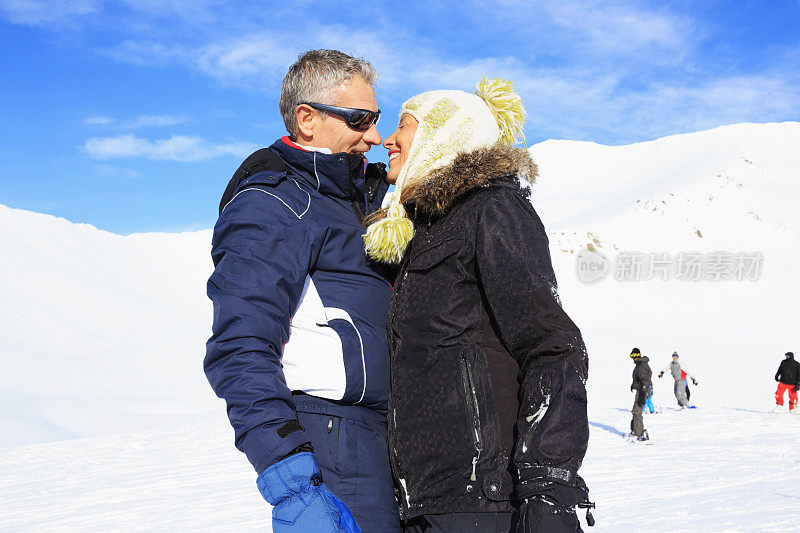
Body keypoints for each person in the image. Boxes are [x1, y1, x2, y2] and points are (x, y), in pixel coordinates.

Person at [364, 79, 593, 532]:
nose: (388, 139)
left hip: (479, 499)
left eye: (404, 126)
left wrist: (550, 484)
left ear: (442, 136)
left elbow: (552, 345)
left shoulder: (492, 210)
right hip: (422, 500)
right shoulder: (421, 232)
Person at [204, 50, 402, 533]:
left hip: (383, 433)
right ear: (307, 119)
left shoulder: (353, 199)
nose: (373, 136)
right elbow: (239, 347)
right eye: (360, 120)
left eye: (375, 119)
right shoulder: (274, 204)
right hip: (333, 434)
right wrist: (290, 477)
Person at [629, 348, 652, 441]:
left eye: (633, 357)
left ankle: (639, 434)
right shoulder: (639, 365)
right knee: (635, 410)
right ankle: (635, 431)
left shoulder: (642, 365)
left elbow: (645, 379)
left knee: (637, 411)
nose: (632, 359)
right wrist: (634, 385)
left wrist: (644, 391)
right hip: (641, 389)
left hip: (643, 390)